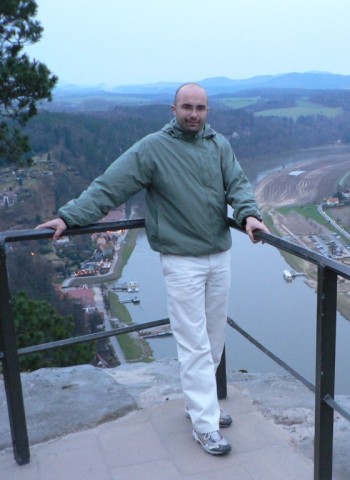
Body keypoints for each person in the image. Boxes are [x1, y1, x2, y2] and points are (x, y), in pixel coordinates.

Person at [37, 83, 269, 456]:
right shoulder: (152, 149)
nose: (194, 114)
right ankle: (206, 425)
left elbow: (238, 186)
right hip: (181, 260)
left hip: (219, 256)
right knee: (193, 343)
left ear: (208, 111)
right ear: (173, 109)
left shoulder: (219, 145)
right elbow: (108, 187)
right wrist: (68, 216)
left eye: (201, 108)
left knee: (213, 338)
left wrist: (250, 217)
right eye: (187, 107)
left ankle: (200, 404)